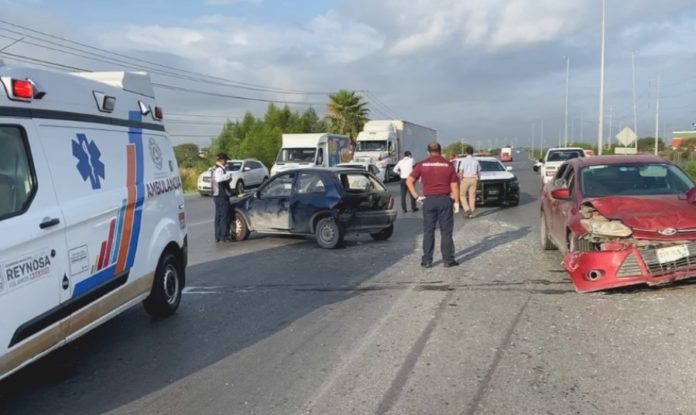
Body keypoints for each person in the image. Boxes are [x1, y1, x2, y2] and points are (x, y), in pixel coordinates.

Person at [407, 142, 460, 268]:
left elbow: (409, 181)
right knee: (446, 232)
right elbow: (454, 185)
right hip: (445, 200)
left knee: (428, 231)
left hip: (429, 201)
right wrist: (457, 201)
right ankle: (448, 260)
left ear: (428, 151)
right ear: (441, 151)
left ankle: (427, 260)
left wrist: (416, 197)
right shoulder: (448, 165)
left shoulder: (422, 165)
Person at [212, 153, 233, 243]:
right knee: (224, 216)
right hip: (221, 196)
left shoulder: (214, 169)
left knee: (218, 216)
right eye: (225, 160)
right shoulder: (219, 170)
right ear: (222, 160)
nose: (226, 162)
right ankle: (224, 236)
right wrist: (228, 176)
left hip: (217, 195)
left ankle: (218, 236)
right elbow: (219, 179)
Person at [458, 146, 480, 218]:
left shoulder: (463, 161)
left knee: (462, 195)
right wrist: (478, 180)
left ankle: (467, 209)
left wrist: (460, 180)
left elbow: (461, 172)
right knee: (472, 196)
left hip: (465, 179)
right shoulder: (476, 161)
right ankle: (471, 212)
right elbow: (478, 172)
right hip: (474, 179)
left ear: (466, 152)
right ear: (472, 152)